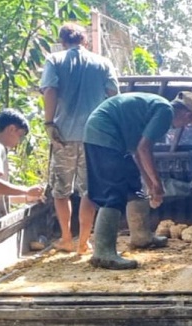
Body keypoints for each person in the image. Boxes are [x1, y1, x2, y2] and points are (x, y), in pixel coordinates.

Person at [83, 91, 192, 270]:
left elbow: (138, 153)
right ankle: (103, 253)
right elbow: (144, 148)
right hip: (103, 134)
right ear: (187, 115)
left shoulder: (158, 108)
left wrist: (150, 183)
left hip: (110, 135)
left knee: (133, 186)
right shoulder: (165, 111)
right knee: (113, 193)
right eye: (188, 122)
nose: (185, 126)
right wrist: (158, 184)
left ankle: (141, 237)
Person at [40, 22, 119, 254]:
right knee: (90, 191)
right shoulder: (103, 63)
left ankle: (66, 238)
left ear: (63, 41)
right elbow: (114, 95)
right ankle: (84, 242)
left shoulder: (55, 60)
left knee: (61, 191)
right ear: (84, 41)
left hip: (63, 136)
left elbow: (50, 91)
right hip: (94, 138)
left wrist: (49, 123)